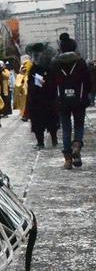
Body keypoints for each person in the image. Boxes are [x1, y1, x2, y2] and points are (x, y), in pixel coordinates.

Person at [52, 33, 90, 169]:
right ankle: (77, 145)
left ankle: (68, 160)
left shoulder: (56, 64)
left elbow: (52, 84)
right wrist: (85, 95)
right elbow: (88, 82)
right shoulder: (80, 62)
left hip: (62, 101)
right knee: (79, 125)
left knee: (66, 129)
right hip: (79, 100)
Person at [25, 44, 59, 149]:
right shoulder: (46, 66)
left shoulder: (41, 67)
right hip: (45, 99)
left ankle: (44, 141)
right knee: (47, 120)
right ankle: (49, 140)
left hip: (41, 99)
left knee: (42, 121)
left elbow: (32, 84)